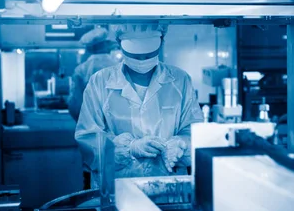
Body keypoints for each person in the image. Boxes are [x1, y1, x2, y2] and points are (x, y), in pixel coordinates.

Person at [75, 25, 204, 187]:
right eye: (135, 53)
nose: (142, 59)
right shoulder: (99, 82)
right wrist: (128, 149)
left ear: (162, 41)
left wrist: (181, 144)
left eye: (149, 53)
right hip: (116, 190)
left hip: (170, 189)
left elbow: (194, 130)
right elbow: (88, 139)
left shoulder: (180, 80)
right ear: (118, 42)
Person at [68, 27, 120, 121]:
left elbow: (75, 103)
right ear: (106, 45)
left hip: (90, 122)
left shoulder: (81, 70)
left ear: (89, 48)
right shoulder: (119, 67)